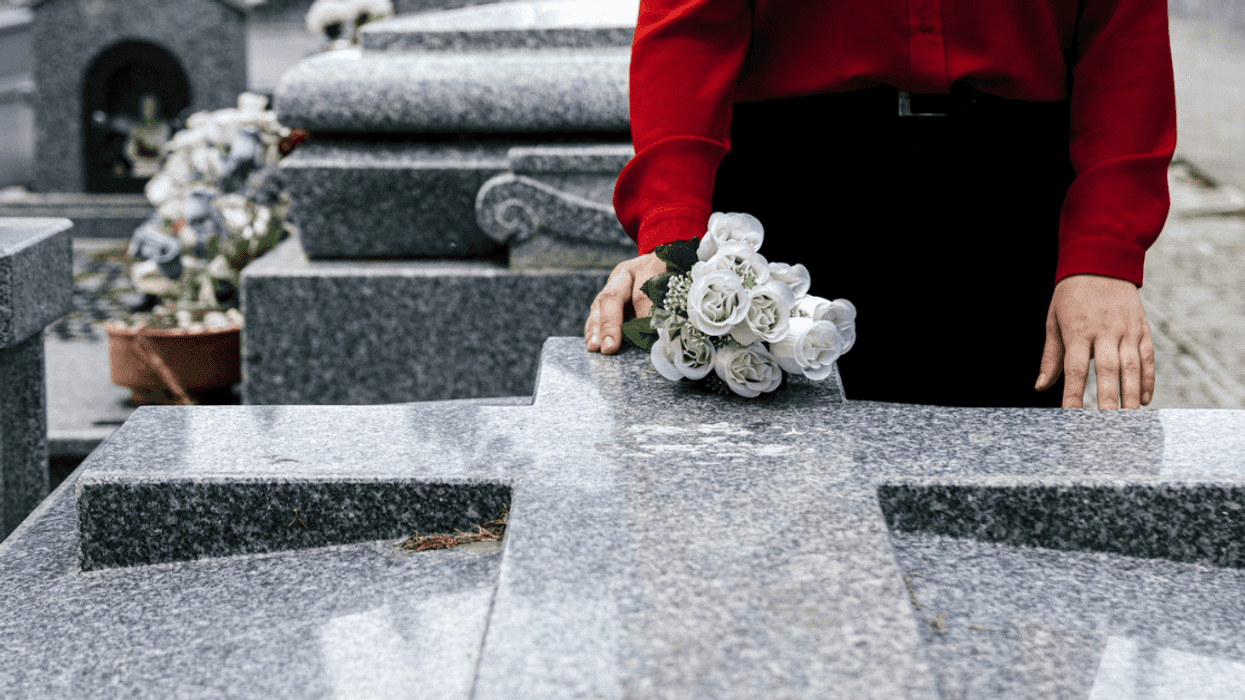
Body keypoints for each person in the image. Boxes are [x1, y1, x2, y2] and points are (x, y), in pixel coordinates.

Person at [585, 0, 1176, 410]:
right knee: (783, 507)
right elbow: (689, 29)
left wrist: (1103, 251)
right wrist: (673, 236)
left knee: (1009, 507)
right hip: (795, 193)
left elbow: (1123, 35)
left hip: (1011, 205)